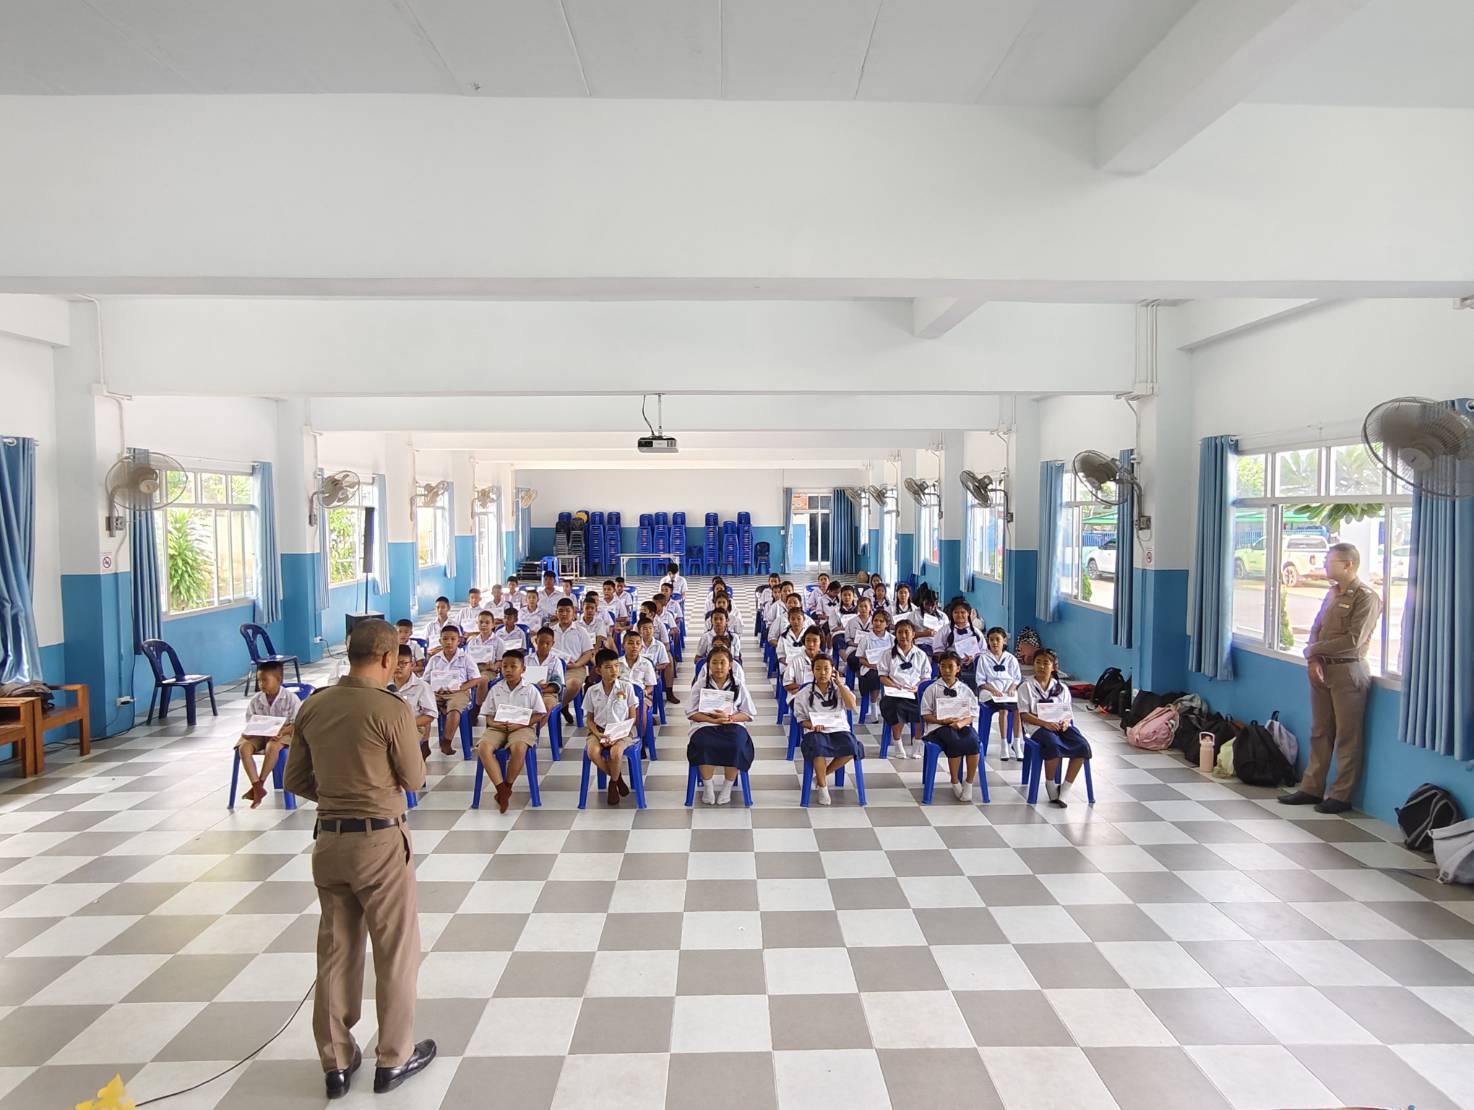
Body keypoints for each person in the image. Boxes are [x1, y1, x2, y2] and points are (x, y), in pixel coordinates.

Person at [283, 619, 435, 1099]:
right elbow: (414, 778)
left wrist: (338, 798)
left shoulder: (314, 705)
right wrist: (370, 797)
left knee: (336, 949)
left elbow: (295, 780)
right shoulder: (390, 708)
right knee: (395, 951)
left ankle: (336, 1061)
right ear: (389, 658)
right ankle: (393, 1057)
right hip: (380, 842)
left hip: (329, 841)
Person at [1279, 541, 1383, 814]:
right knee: (1320, 731)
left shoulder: (1366, 597)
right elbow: (1317, 628)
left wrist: (1313, 650)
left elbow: (1353, 641)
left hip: (1348, 671)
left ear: (1348, 565)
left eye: (1330, 561)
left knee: (1347, 736)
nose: (1324, 565)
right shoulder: (1332, 593)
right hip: (1322, 669)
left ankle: (1340, 795)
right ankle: (1311, 787)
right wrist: (1313, 659)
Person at [1018, 649, 1092, 808]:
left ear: (1053, 667)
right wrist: (1044, 723)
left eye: (1046, 663)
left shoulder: (1062, 688)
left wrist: (1065, 722)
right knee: (1053, 744)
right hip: (1037, 727)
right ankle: (1050, 783)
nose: (1041, 666)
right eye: (1038, 662)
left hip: (1060, 726)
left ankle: (1065, 788)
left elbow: (1067, 712)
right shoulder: (1026, 687)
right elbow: (1024, 714)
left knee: (1082, 746)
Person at [476, 649, 547, 813]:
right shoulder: (496, 689)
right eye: (504, 666)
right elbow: (488, 715)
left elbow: (539, 714)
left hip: (522, 727)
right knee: (483, 748)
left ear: (523, 669)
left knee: (519, 748)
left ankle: (507, 785)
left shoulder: (530, 690)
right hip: (497, 727)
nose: (508, 670)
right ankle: (501, 789)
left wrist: (520, 724)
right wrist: (494, 723)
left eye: (513, 666)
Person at [687, 647, 756, 805]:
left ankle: (727, 786)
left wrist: (730, 718)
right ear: (708, 665)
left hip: (732, 724)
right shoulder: (700, 684)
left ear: (730, 665)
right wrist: (713, 721)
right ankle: (708, 786)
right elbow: (690, 712)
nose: (718, 667)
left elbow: (749, 713)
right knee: (703, 744)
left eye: (722, 663)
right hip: (705, 724)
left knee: (737, 745)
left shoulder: (738, 684)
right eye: (714, 663)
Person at [792, 653, 861, 806]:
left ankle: (820, 777)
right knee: (818, 749)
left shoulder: (840, 688)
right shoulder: (804, 693)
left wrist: (840, 685)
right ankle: (823, 787)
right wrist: (811, 725)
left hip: (838, 729)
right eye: (818, 669)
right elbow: (800, 719)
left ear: (833, 671)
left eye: (826, 669)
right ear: (812, 671)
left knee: (852, 748)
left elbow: (852, 706)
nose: (822, 673)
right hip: (816, 731)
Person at [235, 661, 300, 808]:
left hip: (283, 733)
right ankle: (256, 786)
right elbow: (251, 720)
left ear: (279, 679)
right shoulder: (256, 700)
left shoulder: (291, 699)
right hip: (259, 734)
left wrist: (281, 731)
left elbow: (297, 723)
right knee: (243, 748)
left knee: (272, 747)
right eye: (259, 680)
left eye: (265, 680)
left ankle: (261, 782)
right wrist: (259, 731)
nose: (261, 684)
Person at [921, 651, 982, 801]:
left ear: (958, 669)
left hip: (962, 725)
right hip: (938, 727)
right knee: (954, 741)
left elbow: (973, 712)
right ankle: (954, 780)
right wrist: (942, 721)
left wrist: (961, 723)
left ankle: (969, 782)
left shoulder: (965, 689)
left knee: (973, 741)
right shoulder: (932, 689)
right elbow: (925, 714)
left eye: (950, 666)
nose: (947, 670)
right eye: (943, 666)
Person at [584, 648, 640, 806]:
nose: (614, 670)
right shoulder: (592, 691)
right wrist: (597, 734)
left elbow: (632, 717)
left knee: (616, 753)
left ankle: (612, 784)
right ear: (598, 670)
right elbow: (589, 719)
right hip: (599, 731)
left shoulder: (626, 687)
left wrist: (618, 734)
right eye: (608, 667)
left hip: (622, 731)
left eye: (616, 666)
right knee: (592, 752)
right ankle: (618, 778)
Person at [422, 626, 478, 755]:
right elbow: (425, 680)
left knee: (454, 709)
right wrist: (434, 688)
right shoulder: (434, 659)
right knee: (423, 708)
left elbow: (476, 679)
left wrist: (460, 688)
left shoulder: (466, 658)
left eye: (453, 639)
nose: (449, 642)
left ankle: (446, 741)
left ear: (459, 641)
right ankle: (424, 744)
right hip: (437, 693)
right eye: (445, 639)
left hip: (458, 692)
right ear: (440, 641)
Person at [877, 618, 927, 758]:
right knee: (896, 709)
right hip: (895, 692)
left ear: (913, 634)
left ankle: (917, 744)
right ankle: (897, 743)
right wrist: (894, 685)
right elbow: (882, 676)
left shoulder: (921, 655)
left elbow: (925, 677)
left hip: (914, 692)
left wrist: (917, 687)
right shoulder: (888, 654)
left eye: (906, 632)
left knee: (922, 710)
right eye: (900, 632)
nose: (903, 636)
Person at [978, 627, 1023, 760]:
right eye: (991, 640)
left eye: (998, 639)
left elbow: (1017, 678)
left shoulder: (1011, 658)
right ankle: (1004, 744)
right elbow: (980, 681)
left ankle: (1016, 743)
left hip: (1007, 692)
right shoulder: (983, 658)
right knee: (1004, 709)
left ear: (1004, 641)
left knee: (1018, 709)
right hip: (990, 693)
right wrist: (993, 690)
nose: (994, 643)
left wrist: (1012, 688)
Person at [390, 646, 436, 759]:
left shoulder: (422, 687)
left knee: (400, 745)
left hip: (413, 726)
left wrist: (406, 724)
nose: (398, 667)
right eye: (395, 663)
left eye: (403, 663)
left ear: (412, 664)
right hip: (387, 726)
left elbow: (430, 715)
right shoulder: (384, 684)